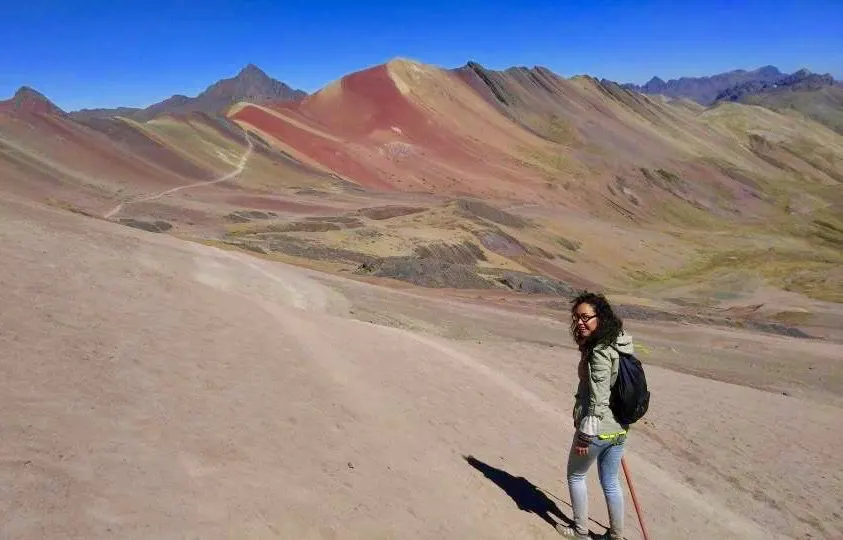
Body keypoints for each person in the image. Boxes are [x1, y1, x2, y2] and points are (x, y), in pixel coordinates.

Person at [556, 292, 634, 540]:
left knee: (575, 475)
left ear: (600, 317)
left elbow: (598, 398)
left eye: (586, 317)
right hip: (619, 429)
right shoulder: (618, 342)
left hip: (598, 428)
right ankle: (616, 536)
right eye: (576, 317)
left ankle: (580, 532)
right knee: (610, 481)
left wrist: (586, 435)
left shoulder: (600, 351)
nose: (580, 322)